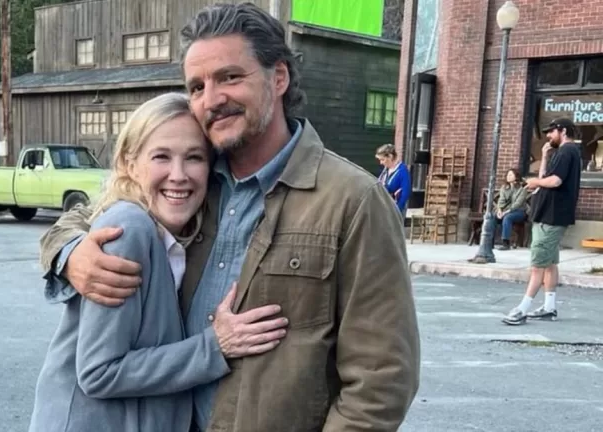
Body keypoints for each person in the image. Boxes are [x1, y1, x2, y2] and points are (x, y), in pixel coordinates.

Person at [39, 3, 420, 431]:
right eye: (197, 86)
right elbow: (90, 214)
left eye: (230, 77)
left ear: (279, 77)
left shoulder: (353, 200)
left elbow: (381, 380)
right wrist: (70, 253)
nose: (212, 100)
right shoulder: (192, 185)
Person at [29, 92, 289, 432]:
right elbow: (99, 373)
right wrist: (215, 347)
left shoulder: (182, 230)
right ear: (129, 163)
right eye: (161, 157)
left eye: (194, 157)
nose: (178, 175)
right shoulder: (129, 228)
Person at [502, 118, 581, 326]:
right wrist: (545, 156)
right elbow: (547, 176)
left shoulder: (566, 151)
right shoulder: (564, 152)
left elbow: (555, 181)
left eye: (552, 131)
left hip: (551, 217)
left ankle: (522, 309)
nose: (548, 135)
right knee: (550, 264)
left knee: (537, 265)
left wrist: (534, 182)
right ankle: (549, 307)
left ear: (563, 131)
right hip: (550, 216)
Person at [495, 168, 529, 251]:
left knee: (507, 217)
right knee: (493, 216)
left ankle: (505, 243)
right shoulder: (504, 188)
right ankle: (489, 241)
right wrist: (499, 210)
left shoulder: (522, 189)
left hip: (519, 212)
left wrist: (506, 212)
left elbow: (518, 204)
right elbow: (501, 200)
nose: (508, 176)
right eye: (507, 175)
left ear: (516, 176)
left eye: (510, 175)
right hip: (505, 211)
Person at [376, 144, 412, 217]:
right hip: (384, 207)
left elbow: (405, 194)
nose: (381, 163)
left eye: (382, 159)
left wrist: (396, 211)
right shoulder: (386, 170)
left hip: (395, 210)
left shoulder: (402, 171)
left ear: (390, 157)